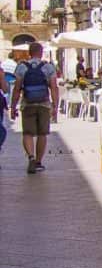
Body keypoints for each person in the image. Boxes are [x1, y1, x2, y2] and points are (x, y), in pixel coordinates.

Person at [10, 42, 60, 175]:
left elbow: (16, 89)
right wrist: (55, 106)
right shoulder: (48, 67)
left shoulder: (22, 67)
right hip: (43, 104)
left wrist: (13, 107)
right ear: (41, 52)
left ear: (29, 53)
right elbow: (54, 87)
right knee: (42, 133)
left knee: (27, 133)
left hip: (27, 104)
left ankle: (31, 157)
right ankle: (38, 162)